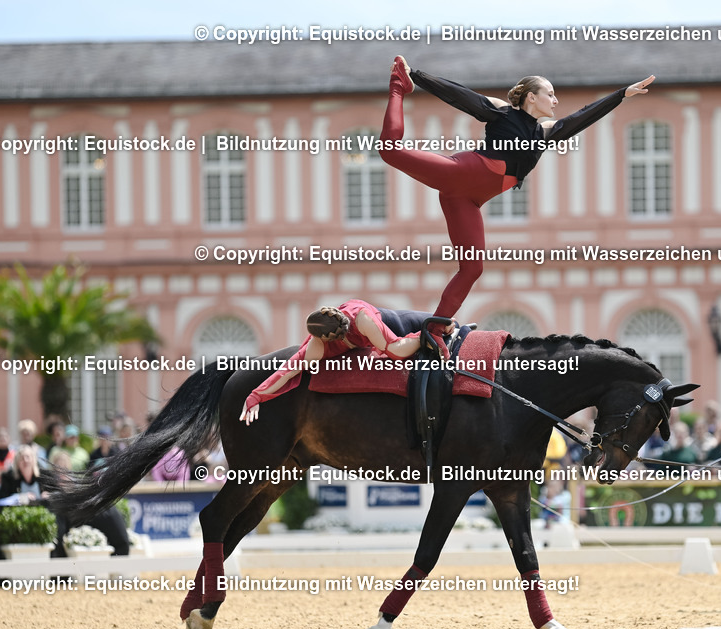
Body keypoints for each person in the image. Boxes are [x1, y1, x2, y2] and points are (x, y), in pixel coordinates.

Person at [381, 56, 654, 351]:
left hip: (468, 201)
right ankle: (398, 85)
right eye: (550, 93)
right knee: (389, 149)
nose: (556, 99)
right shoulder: (502, 112)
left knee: (472, 268)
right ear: (532, 97)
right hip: (459, 174)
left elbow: (583, 117)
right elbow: (460, 95)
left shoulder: (545, 133)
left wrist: (621, 95)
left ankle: (434, 329)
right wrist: (415, 76)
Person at [240, 300, 423, 425]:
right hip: (364, 325)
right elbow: (287, 371)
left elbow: (395, 349)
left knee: (425, 323)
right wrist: (256, 396)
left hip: (381, 318)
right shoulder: (316, 347)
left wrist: (426, 336)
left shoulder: (363, 319)